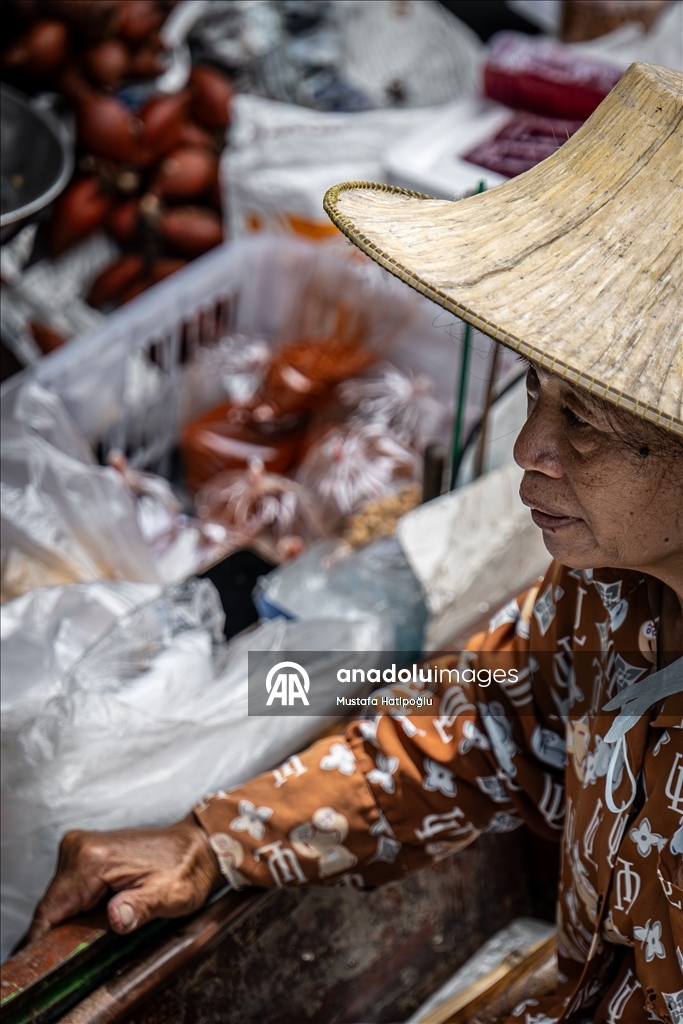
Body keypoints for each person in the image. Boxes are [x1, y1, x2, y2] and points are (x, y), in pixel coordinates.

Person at [26, 61, 682, 1023]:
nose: (526, 450)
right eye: (535, 394)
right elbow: (487, 713)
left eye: (585, 420)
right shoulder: (611, 591)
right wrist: (220, 838)